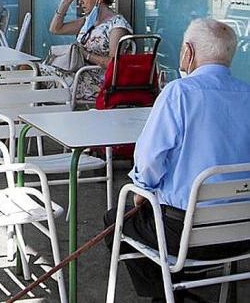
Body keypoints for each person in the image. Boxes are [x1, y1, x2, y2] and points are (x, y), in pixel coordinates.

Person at [104, 18, 250, 303]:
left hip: (184, 234)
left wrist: (141, 190)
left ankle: (166, 295)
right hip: (243, 232)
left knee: (115, 220)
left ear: (188, 53)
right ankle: (183, 288)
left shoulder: (179, 93)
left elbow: (148, 162)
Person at [42, 0, 132, 101]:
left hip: (96, 83)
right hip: (77, 74)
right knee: (30, 71)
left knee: (35, 73)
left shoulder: (117, 25)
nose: (80, 1)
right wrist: (66, 1)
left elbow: (114, 63)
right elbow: (55, 29)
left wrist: (85, 55)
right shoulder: (89, 21)